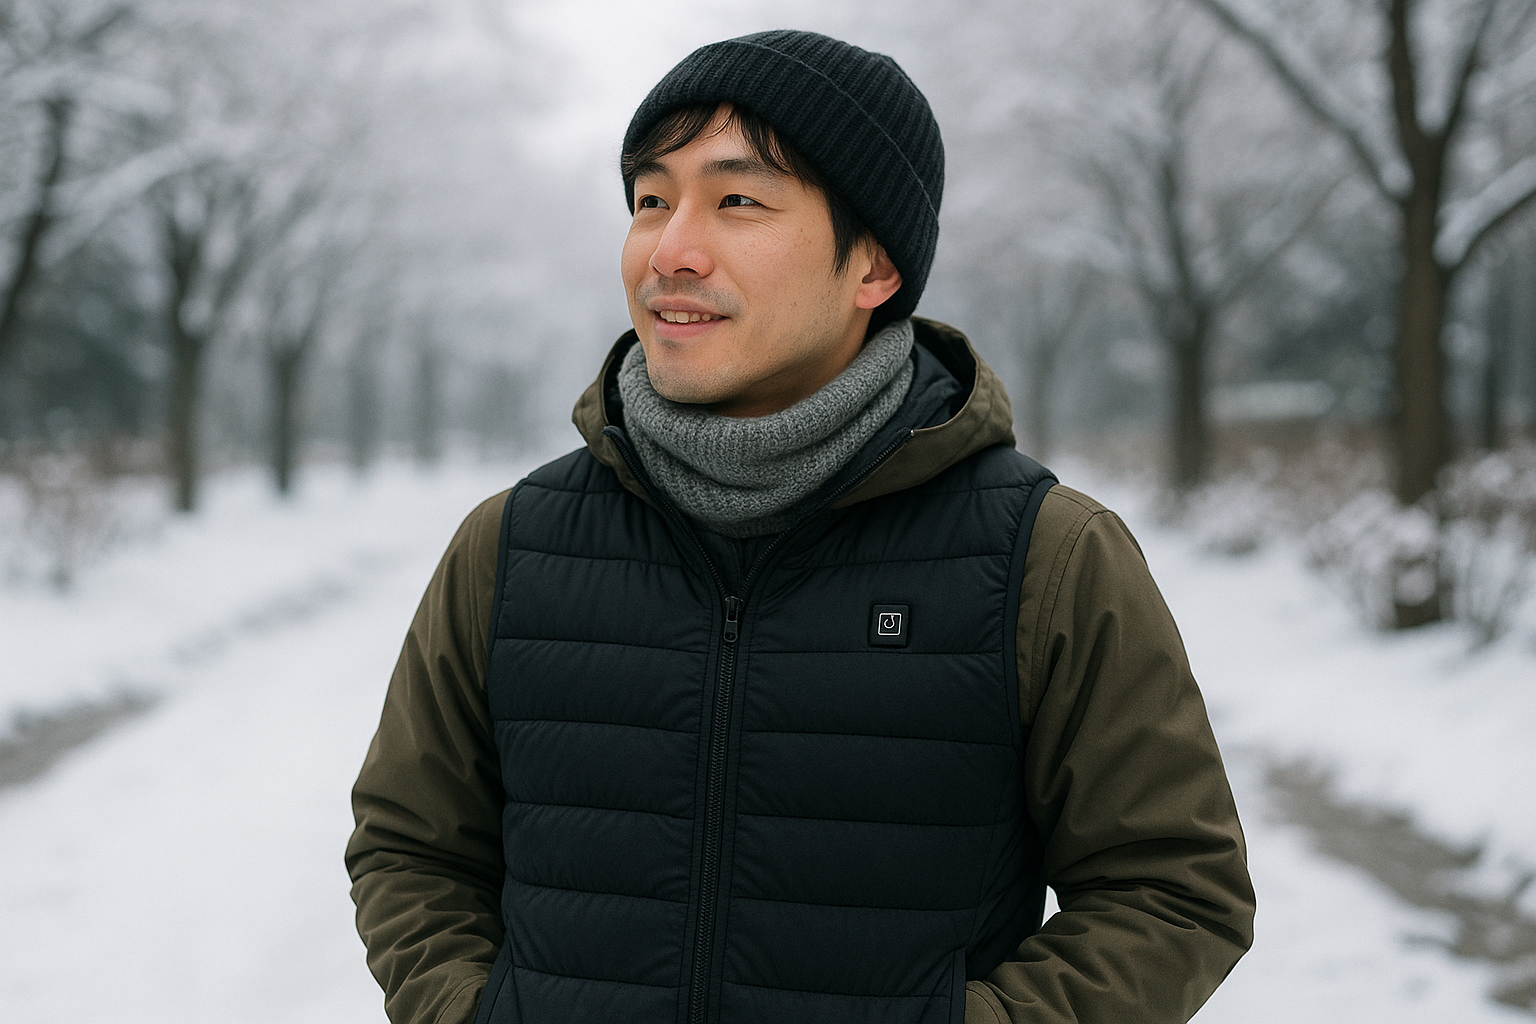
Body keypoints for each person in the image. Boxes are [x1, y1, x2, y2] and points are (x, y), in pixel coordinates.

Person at [346, 29, 1254, 1024]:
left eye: (737, 201)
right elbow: (410, 846)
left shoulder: (1043, 559)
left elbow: (1173, 888)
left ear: (874, 265)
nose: (670, 251)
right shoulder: (514, 546)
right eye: (650, 200)